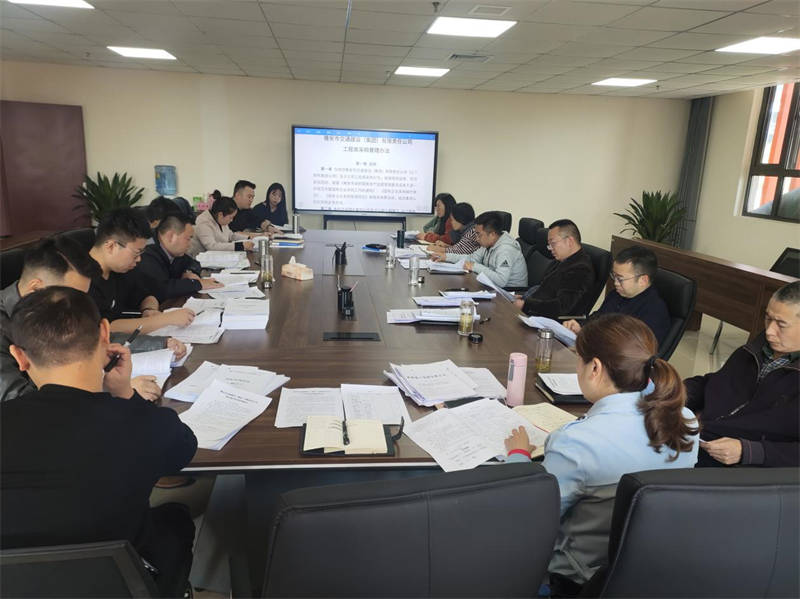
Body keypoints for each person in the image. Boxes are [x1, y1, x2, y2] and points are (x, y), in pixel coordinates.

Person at [1, 286, 197, 597]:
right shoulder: (142, 424)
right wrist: (126, 394)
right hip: (120, 585)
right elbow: (183, 450)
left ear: (19, 357)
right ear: (105, 333)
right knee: (176, 518)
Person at [504, 314, 698, 594]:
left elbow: (529, 516)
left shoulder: (575, 442)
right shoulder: (685, 420)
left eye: (578, 359)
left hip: (575, 580)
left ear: (594, 367)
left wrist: (518, 456)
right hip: (649, 573)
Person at [0, 237, 183, 403]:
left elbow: (94, 336)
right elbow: (18, 401)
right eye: (70, 297)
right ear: (35, 288)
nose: (77, 307)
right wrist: (114, 390)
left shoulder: (53, 309)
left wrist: (160, 343)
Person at [685, 281, 800, 468]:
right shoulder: (755, 349)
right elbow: (715, 383)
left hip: (743, 468)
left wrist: (748, 451)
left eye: (781, 324)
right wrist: (677, 393)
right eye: (767, 318)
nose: (769, 331)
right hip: (699, 440)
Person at [88, 208, 195, 335]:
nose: (139, 259)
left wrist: (149, 310)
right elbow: (105, 327)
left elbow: (146, 295)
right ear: (111, 246)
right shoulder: (82, 280)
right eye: (136, 253)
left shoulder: (121, 269)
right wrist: (164, 319)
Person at [563, 246, 670, 346]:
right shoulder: (617, 294)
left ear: (643, 280)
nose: (615, 283)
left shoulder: (655, 312)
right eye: (614, 276)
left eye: (620, 278)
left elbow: (633, 351)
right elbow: (598, 317)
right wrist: (581, 327)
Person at [515, 219, 594, 319]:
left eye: (553, 243)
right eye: (549, 245)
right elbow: (544, 288)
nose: (550, 248)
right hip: (533, 312)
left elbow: (562, 307)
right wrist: (524, 297)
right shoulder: (562, 259)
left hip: (545, 321)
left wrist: (526, 305)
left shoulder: (580, 269)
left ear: (569, 241)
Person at [137, 213, 223, 300]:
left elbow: (194, 264)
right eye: (188, 239)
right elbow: (162, 288)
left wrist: (188, 272)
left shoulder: (174, 251)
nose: (189, 245)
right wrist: (198, 284)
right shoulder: (146, 254)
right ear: (171, 236)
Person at [440, 210, 527, 288]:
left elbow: (501, 281)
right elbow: (472, 259)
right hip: (493, 287)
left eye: (479, 234)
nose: (476, 238)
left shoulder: (505, 250)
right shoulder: (488, 244)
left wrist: (474, 266)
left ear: (492, 234)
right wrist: (446, 256)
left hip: (510, 293)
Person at [189, 195, 255, 256]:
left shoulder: (220, 219)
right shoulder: (203, 222)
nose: (231, 220)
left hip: (218, 257)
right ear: (220, 214)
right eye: (231, 217)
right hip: (201, 260)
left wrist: (248, 238)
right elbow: (211, 246)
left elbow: (231, 235)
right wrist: (240, 246)